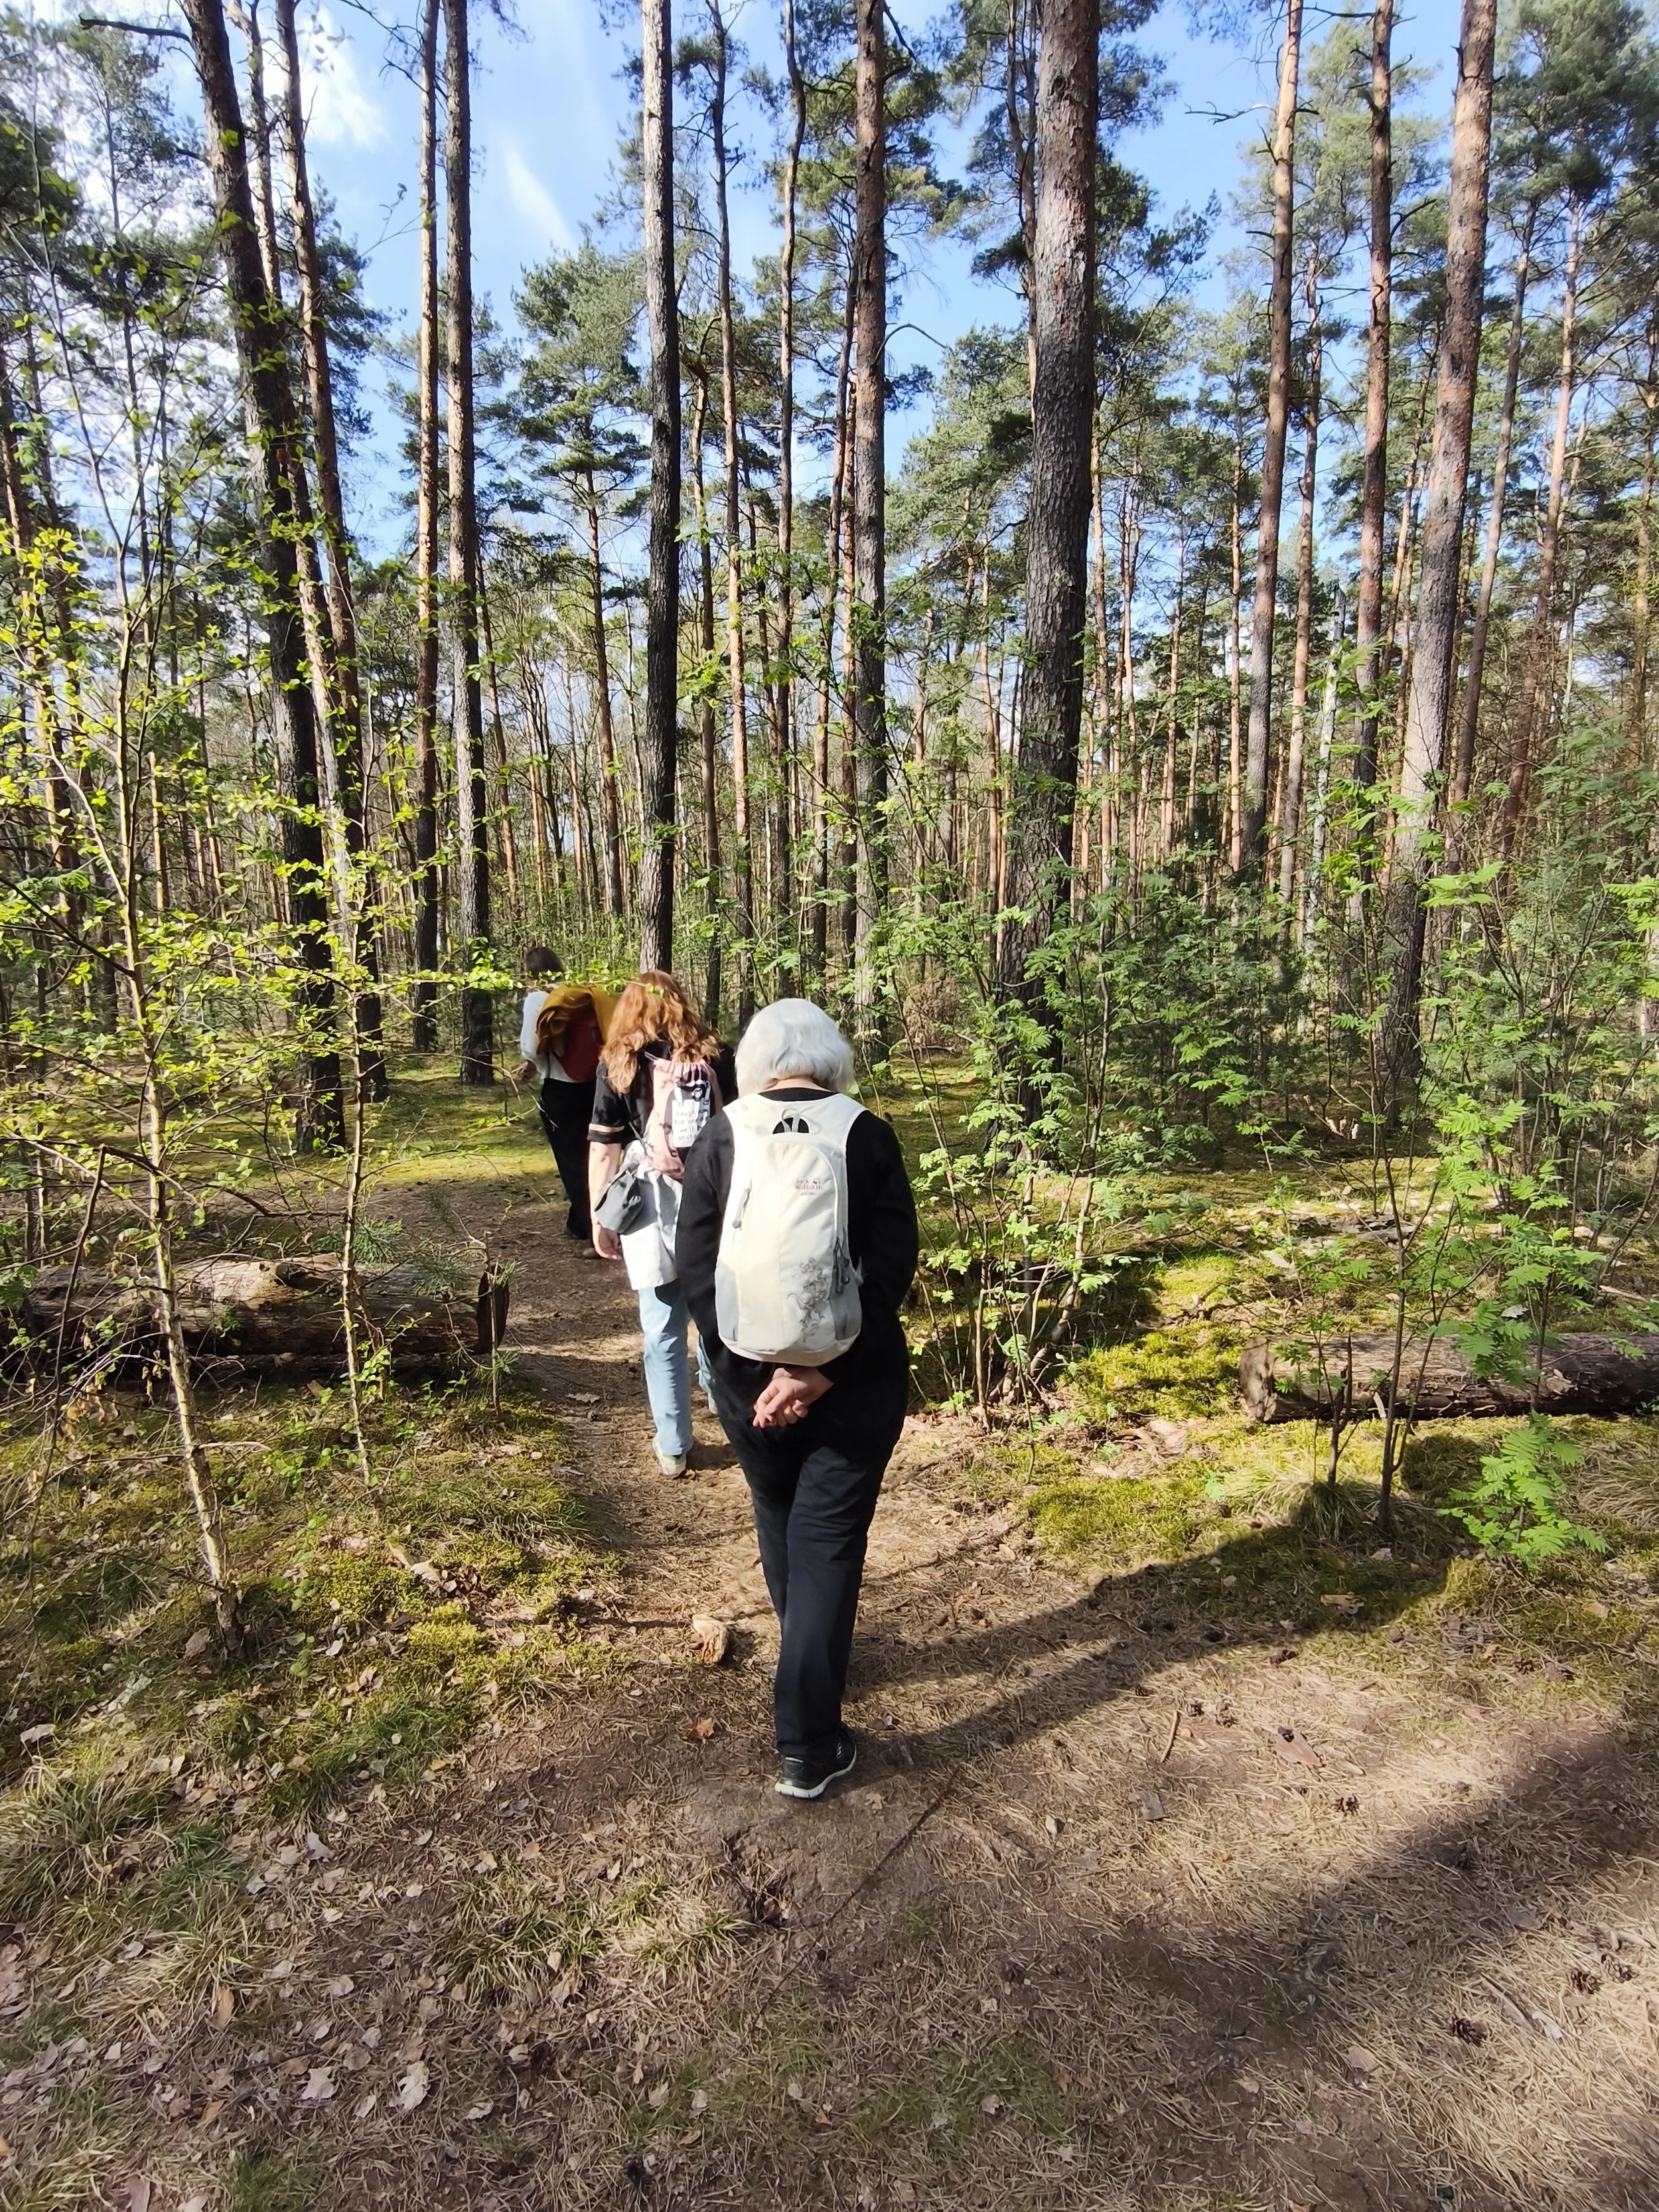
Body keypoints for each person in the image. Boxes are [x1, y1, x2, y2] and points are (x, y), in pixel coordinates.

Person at [678, 999, 918, 1801]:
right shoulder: (865, 1132)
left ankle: (805, 1664)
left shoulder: (724, 1132)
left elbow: (696, 1269)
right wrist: (822, 1373)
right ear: (830, 1056)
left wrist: (743, 1371)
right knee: (828, 1544)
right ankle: (808, 1744)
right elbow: (889, 1269)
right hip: (853, 1386)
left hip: (749, 1389)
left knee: (781, 1522)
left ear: (756, 1058)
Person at [588, 973, 735, 1477]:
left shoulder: (619, 1064)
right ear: (681, 1004)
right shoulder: (716, 1056)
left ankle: (673, 1442)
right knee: (713, 1306)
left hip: (650, 1199)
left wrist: (598, 1214)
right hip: (711, 1194)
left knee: (662, 1323)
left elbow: (604, 1146)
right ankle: (720, 1396)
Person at [518, 949, 615, 1241]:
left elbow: (531, 1047)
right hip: (594, 1085)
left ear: (529, 973)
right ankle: (581, 1221)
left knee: (572, 1161)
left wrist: (533, 1062)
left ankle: (591, 1227)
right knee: (595, 1156)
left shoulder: (538, 999)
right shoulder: (582, 996)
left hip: (561, 1091)